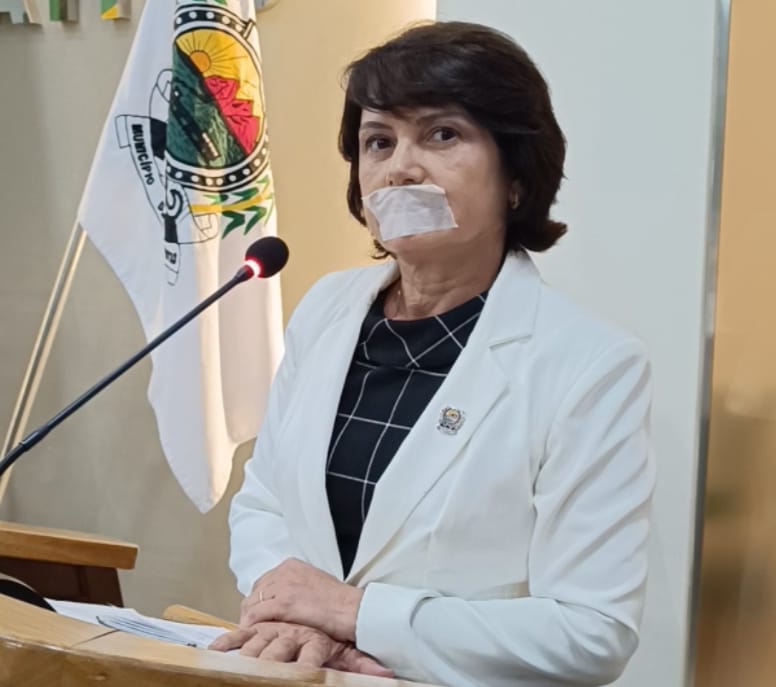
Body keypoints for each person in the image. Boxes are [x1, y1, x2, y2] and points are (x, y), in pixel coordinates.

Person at [211, 20, 655, 687]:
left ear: (515, 176)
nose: (400, 168)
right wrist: (293, 611)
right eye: (378, 141)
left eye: (442, 134)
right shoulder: (327, 308)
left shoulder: (592, 365)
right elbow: (265, 502)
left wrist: (352, 614)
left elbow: (592, 633)